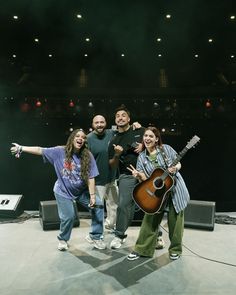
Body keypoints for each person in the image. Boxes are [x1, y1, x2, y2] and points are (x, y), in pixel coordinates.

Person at [10, 128, 106, 251]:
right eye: (77, 136)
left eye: (83, 137)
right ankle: (63, 239)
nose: (80, 139)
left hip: (81, 191)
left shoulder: (87, 155)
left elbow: (91, 177)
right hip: (63, 191)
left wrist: (92, 196)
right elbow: (40, 150)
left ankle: (96, 236)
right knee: (69, 217)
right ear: (72, 139)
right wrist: (21, 148)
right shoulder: (59, 151)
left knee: (98, 205)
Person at [127, 126, 190, 261]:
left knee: (176, 222)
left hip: (175, 189)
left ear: (156, 139)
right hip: (156, 193)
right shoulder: (142, 157)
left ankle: (175, 249)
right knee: (149, 220)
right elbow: (145, 179)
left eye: (151, 136)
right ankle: (142, 249)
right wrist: (138, 175)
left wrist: (175, 168)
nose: (147, 138)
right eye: (145, 136)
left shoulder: (165, 149)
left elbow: (178, 163)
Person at [108, 105, 145, 249]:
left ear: (129, 119)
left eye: (123, 115)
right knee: (123, 205)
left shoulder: (140, 131)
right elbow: (112, 164)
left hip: (146, 174)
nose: (120, 118)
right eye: (118, 116)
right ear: (115, 120)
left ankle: (157, 235)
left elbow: (156, 142)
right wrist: (117, 154)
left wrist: (144, 145)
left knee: (150, 206)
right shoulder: (114, 140)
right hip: (127, 175)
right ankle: (119, 236)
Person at [87, 115, 118, 231]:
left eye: (102, 122)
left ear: (106, 123)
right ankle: (96, 233)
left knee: (114, 205)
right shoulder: (88, 138)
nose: (99, 125)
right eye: (97, 123)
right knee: (98, 208)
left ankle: (110, 226)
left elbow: (126, 130)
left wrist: (136, 125)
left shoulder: (112, 133)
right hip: (97, 180)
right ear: (92, 124)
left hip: (112, 178)